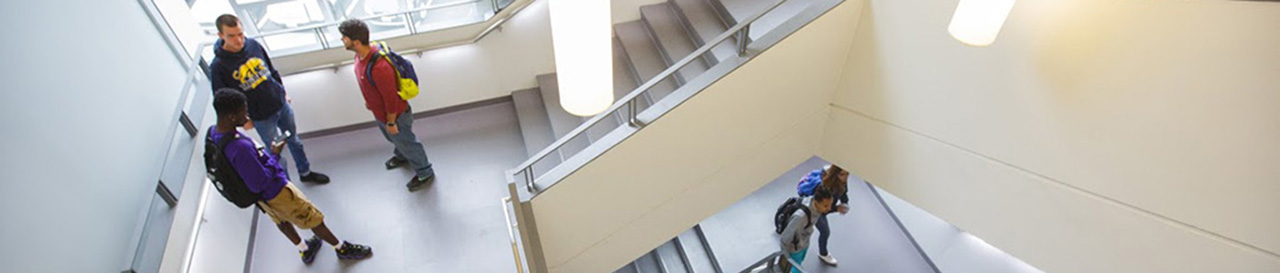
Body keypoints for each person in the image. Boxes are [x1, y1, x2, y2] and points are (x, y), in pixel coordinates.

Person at [208, 88, 371, 263]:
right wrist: (275, 155)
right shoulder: (240, 148)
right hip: (276, 191)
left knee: (281, 221)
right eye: (243, 112)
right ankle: (341, 248)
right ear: (231, 116)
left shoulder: (213, 133)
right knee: (312, 217)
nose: (247, 116)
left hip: (261, 198)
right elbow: (260, 181)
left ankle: (304, 249)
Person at [208, 14, 330, 184]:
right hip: (260, 117)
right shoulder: (218, 67)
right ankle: (286, 185)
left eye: (240, 34)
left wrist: (283, 92)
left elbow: (271, 70)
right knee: (275, 152)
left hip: (280, 104)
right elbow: (223, 100)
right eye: (232, 36)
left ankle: (305, 172)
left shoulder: (253, 45)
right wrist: (244, 121)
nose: (239, 40)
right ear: (220, 36)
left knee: (294, 140)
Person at [337, 19, 437, 192]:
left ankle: (424, 171)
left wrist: (391, 122)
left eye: (344, 38)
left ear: (357, 41)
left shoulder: (379, 67)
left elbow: (391, 99)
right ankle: (401, 155)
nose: (342, 40)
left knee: (408, 142)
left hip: (395, 116)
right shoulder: (360, 55)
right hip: (380, 113)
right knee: (394, 139)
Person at [780, 188, 834, 273]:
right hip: (794, 249)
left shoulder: (814, 203)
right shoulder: (801, 217)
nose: (829, 208)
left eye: (830, 205)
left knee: (799, 263)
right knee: (796, 269)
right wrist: (785, 257)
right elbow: (785, 239)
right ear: (816, 203)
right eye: (826, 206)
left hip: (803, 244)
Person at [808, 165, 851, 266]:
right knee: (825, 232)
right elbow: (823, 209)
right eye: (842, 174)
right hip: (817, 210)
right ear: (834, 174)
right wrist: (837, 208)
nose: (845, 177)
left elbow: (844, 193)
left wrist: (845, 202)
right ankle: (823, 253)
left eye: (847, 174)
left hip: (825, 207)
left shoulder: (841, 181)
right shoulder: (824, 187)